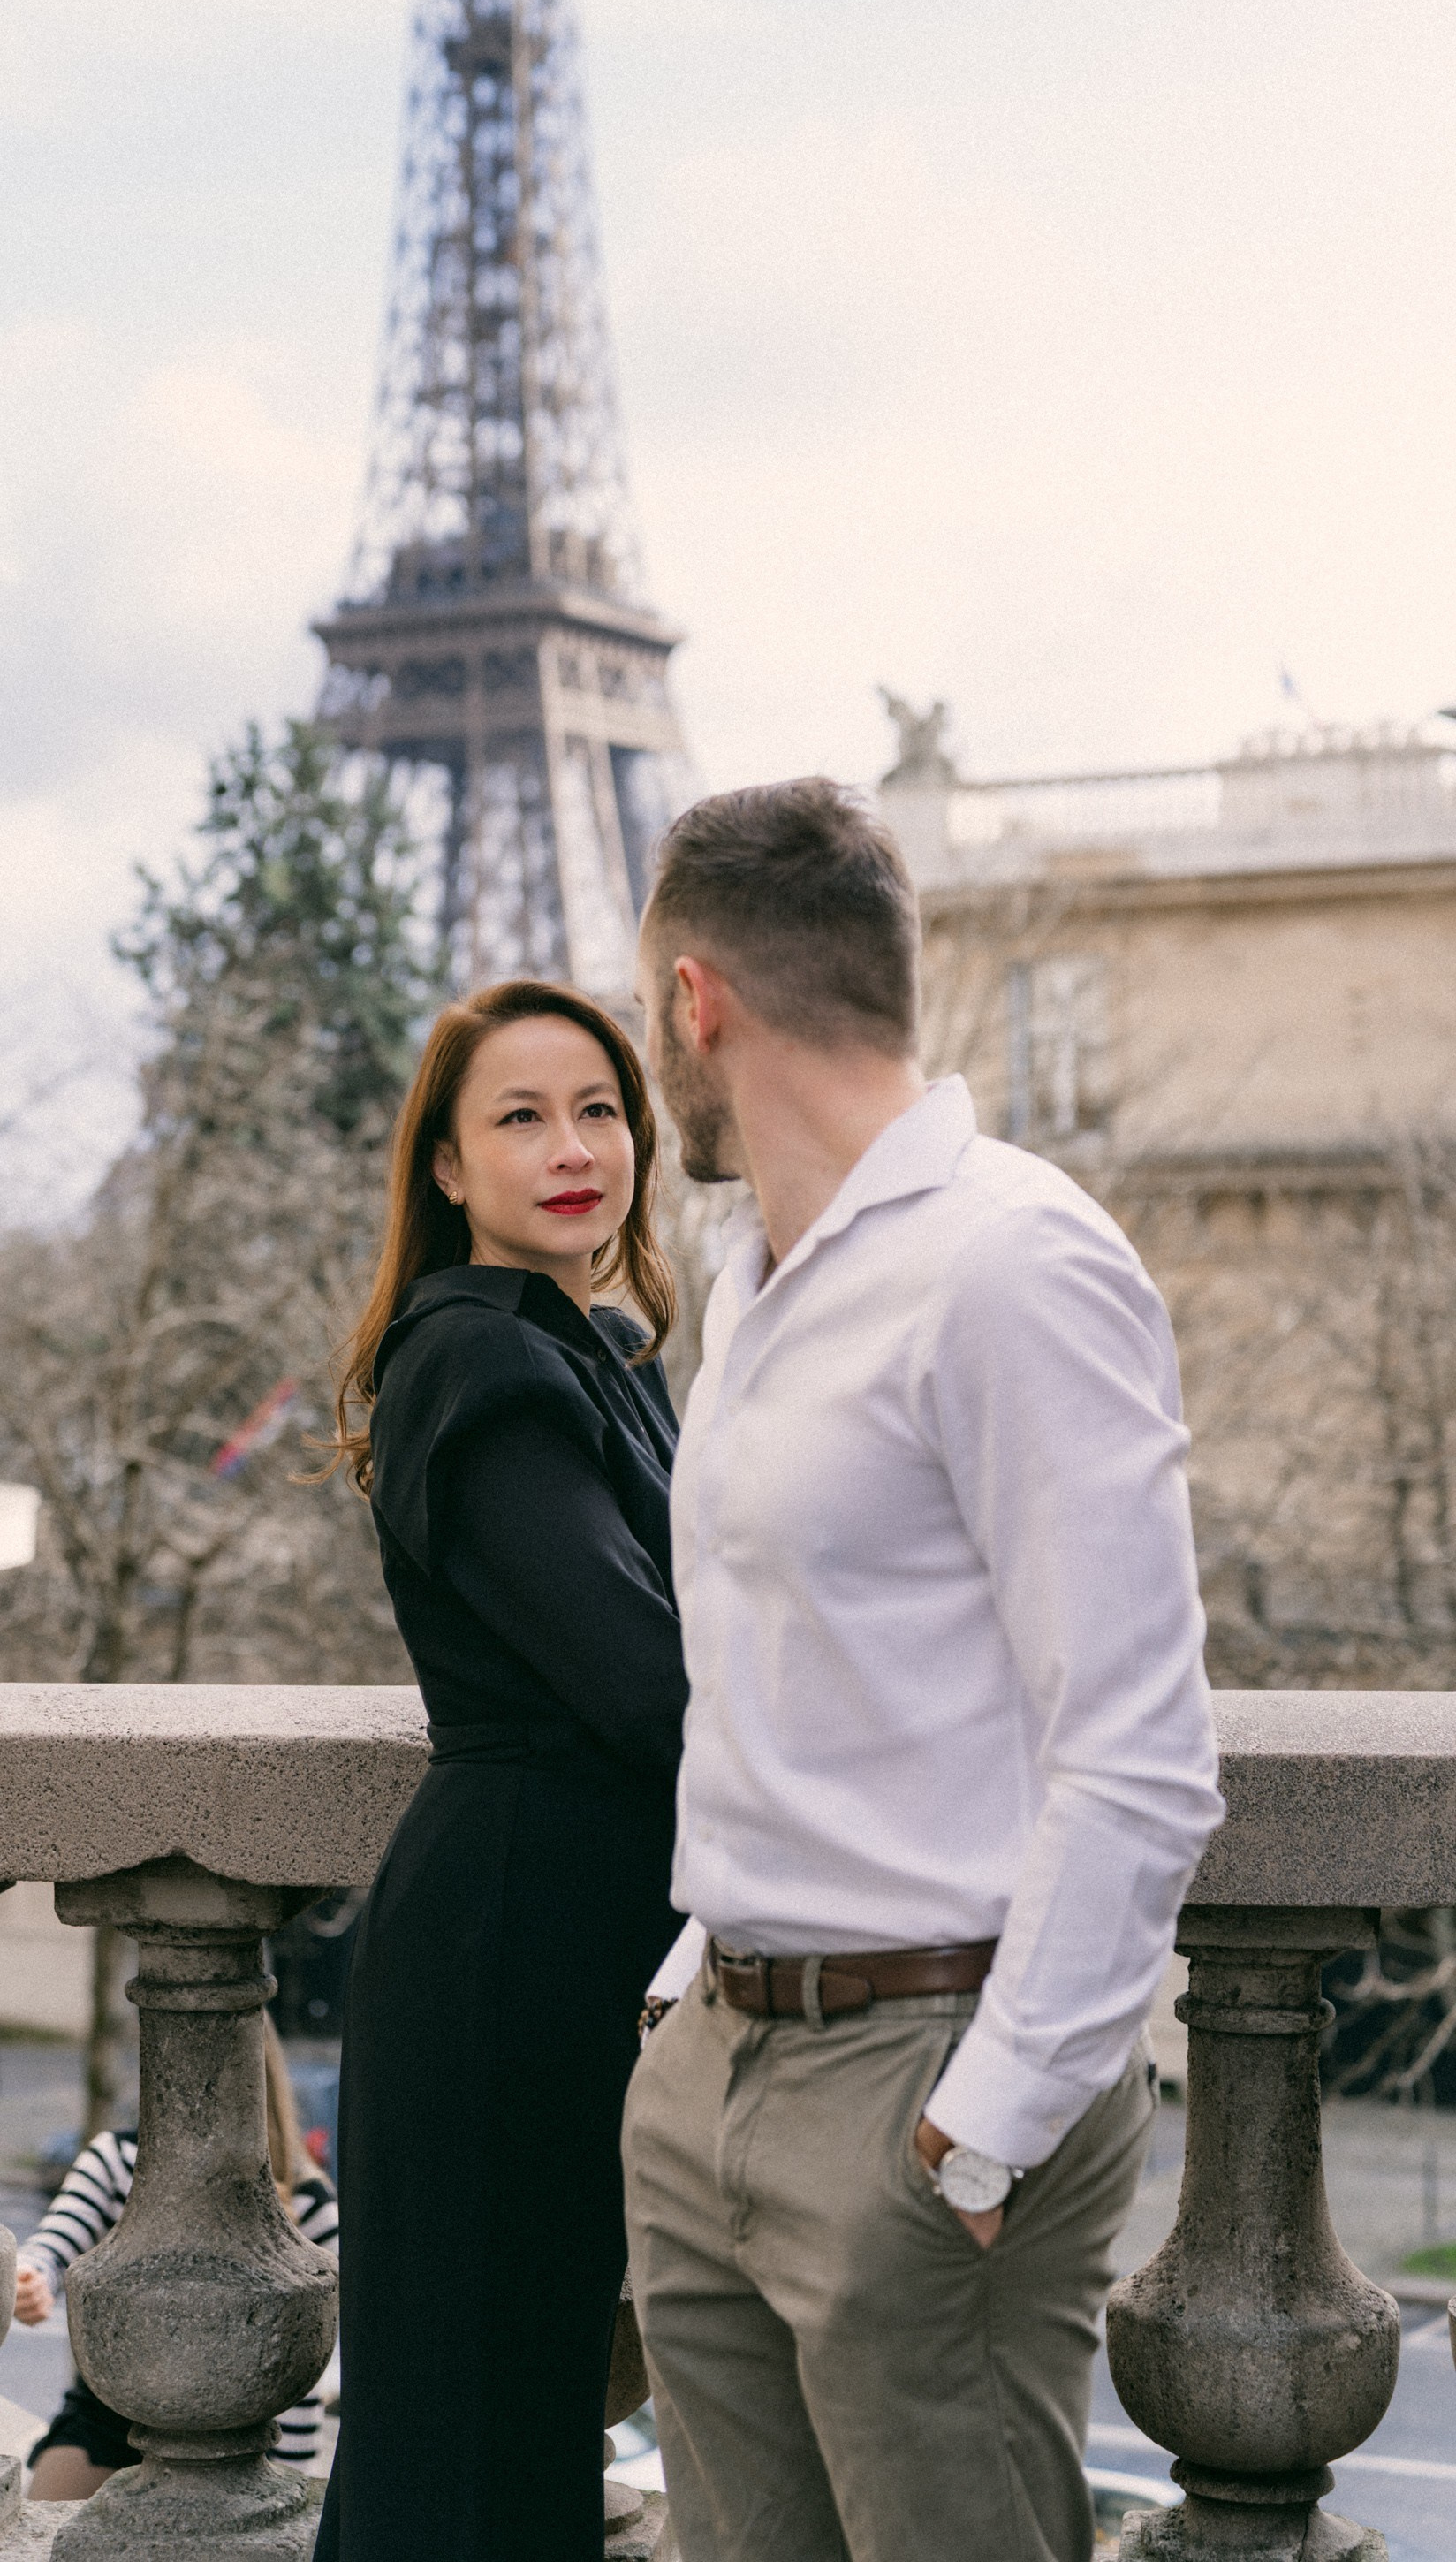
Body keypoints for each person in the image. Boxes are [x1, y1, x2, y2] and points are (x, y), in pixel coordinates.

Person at [621, 780, 1225, 2562]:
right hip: (720, 2064)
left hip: (923, 2088)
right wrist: (689, 1997)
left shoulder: (1012, 1265)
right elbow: (783, 1678)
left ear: (695, 1004)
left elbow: (1137, 1750)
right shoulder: (756, 1281)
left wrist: (984, 2129)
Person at [310, 976, 687, 2562]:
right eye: (520, 1117)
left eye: (598, 1107)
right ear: (447, 1169)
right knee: (469, 2453)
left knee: (509, 2428)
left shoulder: (584, 1349)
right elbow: (648, 1683)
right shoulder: (484, 1360)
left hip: (542, 1936)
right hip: (505, 1956)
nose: (572, 1144)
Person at [17, 2021, 337, 2496]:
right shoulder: (116, 2160)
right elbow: (53, 2242)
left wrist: (288, 2482)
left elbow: (305, 2371)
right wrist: (30, 2278)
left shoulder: (307, 2203)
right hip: (109, 2421)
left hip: (242, 2442)